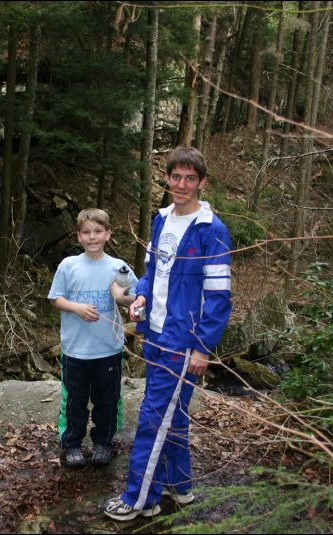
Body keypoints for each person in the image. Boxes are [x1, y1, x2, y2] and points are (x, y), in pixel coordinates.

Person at [103, 146, 232, 520]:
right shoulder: (161, 220)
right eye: (176, 177)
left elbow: (219, 296)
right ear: (167, 178)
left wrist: (202, 347)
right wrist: (141, 297)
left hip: (183, 340)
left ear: (202, 183)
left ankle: (139, 499)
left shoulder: (211, 231)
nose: (182, 184)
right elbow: (151, 274)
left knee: (153, 418)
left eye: (190, 178)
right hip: (156, 332)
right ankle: (180, 485)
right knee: (172, 416)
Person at [48, 208, 138, 468]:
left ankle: (103, 443)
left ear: (108, 234)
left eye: (98, 231)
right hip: (75, 349)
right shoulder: (69, 265)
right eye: (86, 232)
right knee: (74, 400)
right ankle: (71, 444)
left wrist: (125, 298)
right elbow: (55, 298)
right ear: (79, 236)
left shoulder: (118, 267)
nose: (92, 237)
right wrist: (76, 308)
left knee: (107, 400)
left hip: (108, 349)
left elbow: (135, 297)